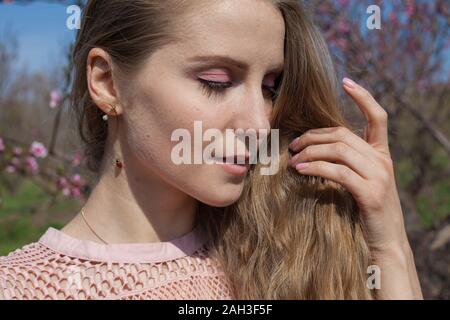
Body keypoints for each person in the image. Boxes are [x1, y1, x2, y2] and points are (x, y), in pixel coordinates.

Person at [0, 0, 422, 299]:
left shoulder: (292, 253)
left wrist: (390, 244)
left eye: (270, 88)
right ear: (107, 83)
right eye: (217, 81)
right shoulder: (21, 289)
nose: (259, 124)